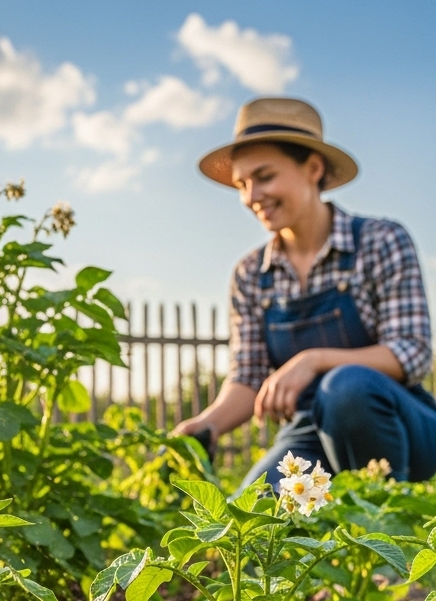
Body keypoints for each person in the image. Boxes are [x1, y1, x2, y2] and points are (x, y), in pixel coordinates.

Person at [175, 97, 436, 488]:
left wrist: (313, 360)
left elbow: (412, 351)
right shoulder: (251, 274)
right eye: (242, 184)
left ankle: (386, 523)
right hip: (309, 433)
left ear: (313, 168)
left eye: (264, 176)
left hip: (397, 424)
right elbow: (248, 378)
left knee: (346, 387)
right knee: (248, 527)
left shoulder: (380, 241)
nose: (251, 196)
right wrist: (206, 424)